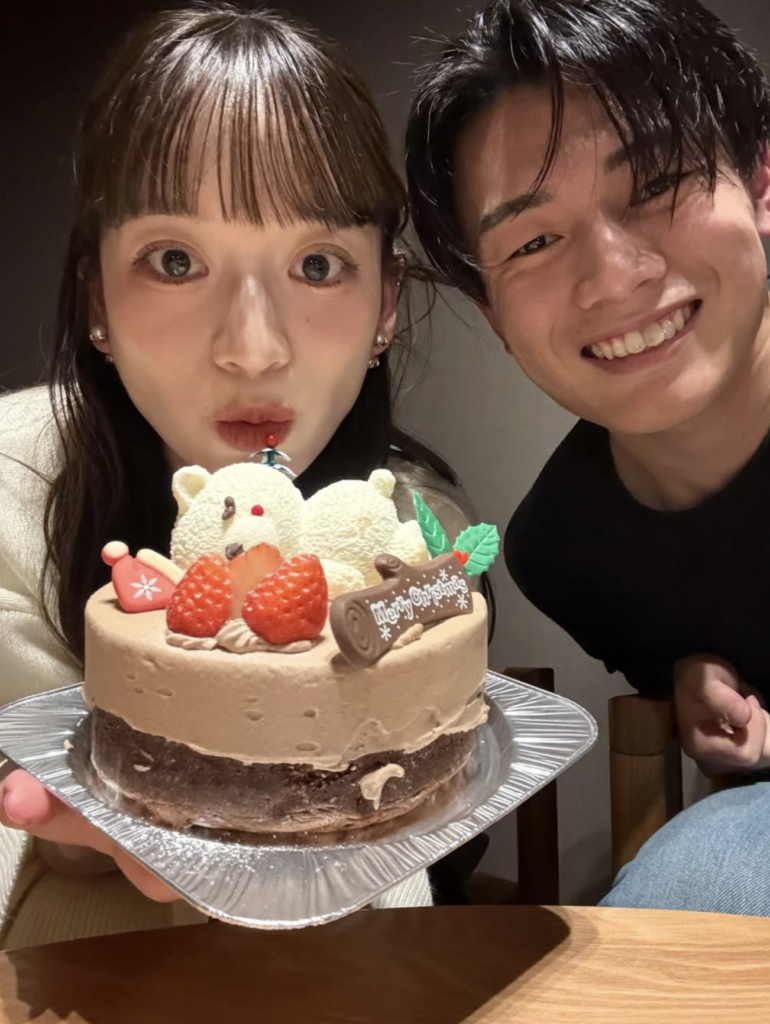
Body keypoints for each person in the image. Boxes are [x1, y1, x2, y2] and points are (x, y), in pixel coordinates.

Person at [0, 3, 473, 948]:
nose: (253, 350)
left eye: (318, 263)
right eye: (175, 260)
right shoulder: (9, 488)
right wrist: (68, 836)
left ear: (386, 302)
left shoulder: (418, 534)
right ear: (97, 299)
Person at [405, 0, 770, 914]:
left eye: (658, 182)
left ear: (763, 184)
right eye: (532, 241)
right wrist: (694, 671)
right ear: (494, 316)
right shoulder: (564, 550)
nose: (613, 276)